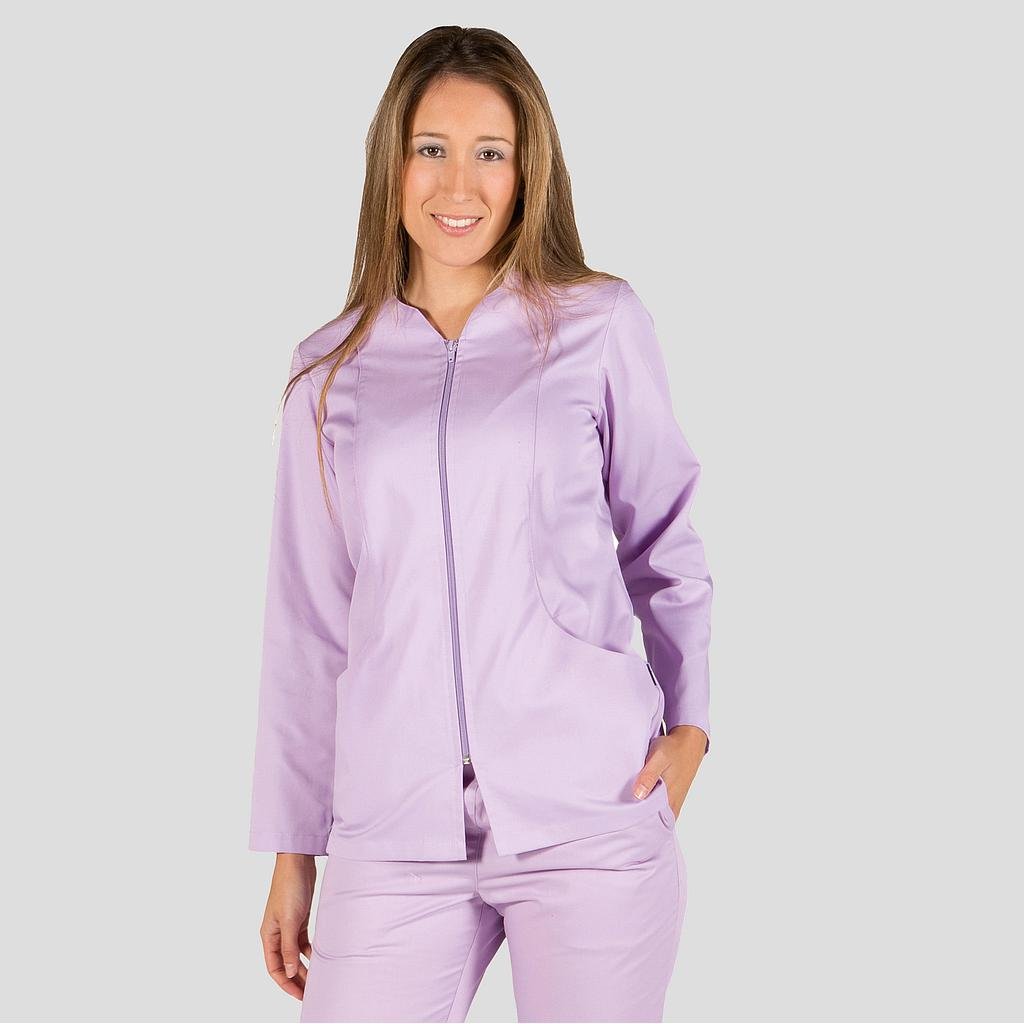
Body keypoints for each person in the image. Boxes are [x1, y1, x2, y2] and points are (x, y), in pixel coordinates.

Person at [248, 24, 713, 1023]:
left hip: (588, 808)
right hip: (392, 830)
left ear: (527, 170)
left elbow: (664, 538)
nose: (458, 184)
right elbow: (309, 623)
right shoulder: (328, 369)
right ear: (392, 160)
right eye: (432, 148)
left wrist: (694, 727)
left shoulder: (596, 323)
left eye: (490, 153)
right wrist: (294, 851)